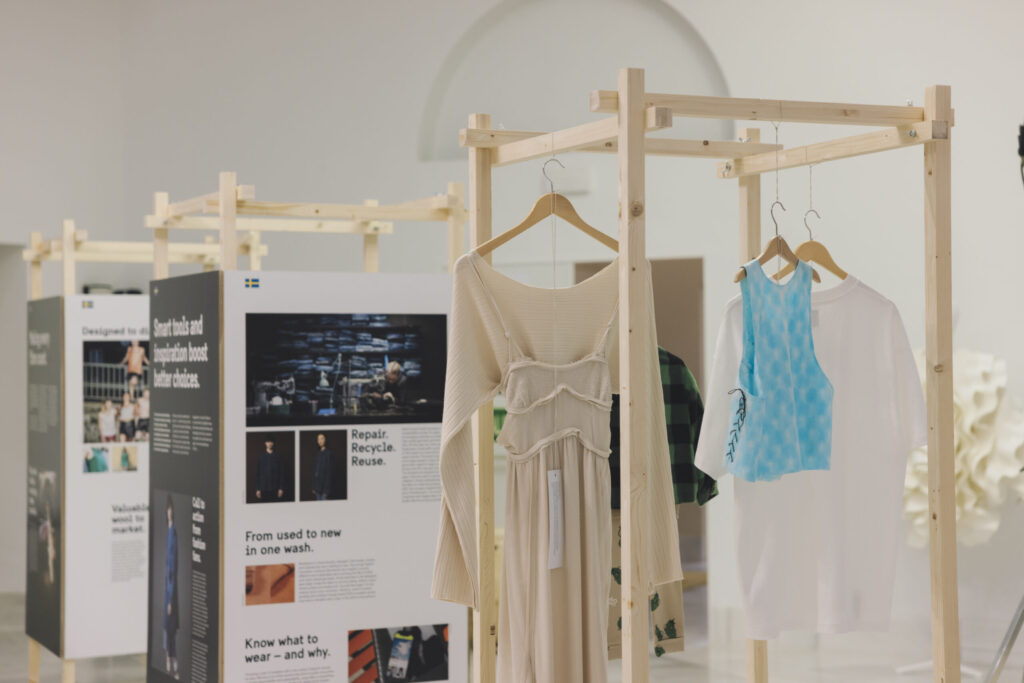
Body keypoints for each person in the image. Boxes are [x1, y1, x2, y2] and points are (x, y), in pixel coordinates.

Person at [164, 494, 180, 679]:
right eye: (167, 508)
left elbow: (173, 568)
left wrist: (170, 598)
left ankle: (173, 665)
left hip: (171, 589)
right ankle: (169, 663)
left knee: (170, 627)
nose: (169, 511)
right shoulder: (169, 531)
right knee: (167, 628)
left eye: (170, 508)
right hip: (166, 587)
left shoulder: (173, 533)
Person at [256, 437, 284, 502]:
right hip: (263, 488)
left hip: (275, 488)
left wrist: (281, 488)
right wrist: (257, 489)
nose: (269, 444)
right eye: (267, 442)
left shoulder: (278, 456)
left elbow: (281, 473)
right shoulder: (261, 457)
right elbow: (258, 474)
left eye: (271, 442)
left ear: (273, 443)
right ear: (265, 443)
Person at [311, 433, 333, 500]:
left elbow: (330, 473)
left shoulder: (329, 454)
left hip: (324, 489)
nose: (320, 441)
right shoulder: (318, 454)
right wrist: (314, 487)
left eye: (322, 438)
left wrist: (326, 490)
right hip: (317, 488)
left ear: (325, 440)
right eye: (318, 439)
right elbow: (315, 471)